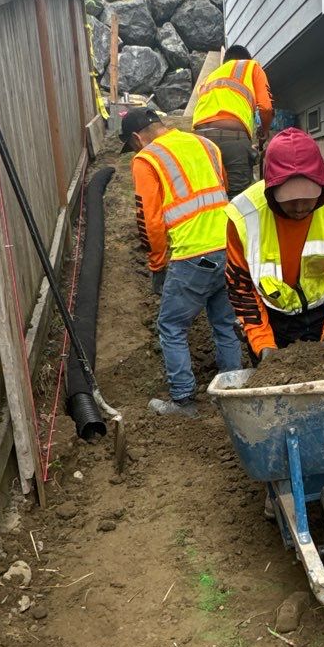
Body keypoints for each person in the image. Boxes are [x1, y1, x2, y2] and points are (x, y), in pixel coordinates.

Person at [123, 106, 243, 416]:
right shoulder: (207, 144)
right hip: (229, 247)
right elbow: (223, 190)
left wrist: (157, 265)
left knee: (171, 325)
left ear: (136, 138)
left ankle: (184, 400)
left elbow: (149, 221)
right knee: (225, 323)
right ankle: (232, 393)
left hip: (192, 254)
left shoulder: (146, 159)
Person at [225, 127, 324, 359]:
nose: (299, 207)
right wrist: (263, 346)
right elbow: (242, 289)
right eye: (289, 200)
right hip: (270, 317)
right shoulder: (244, 217)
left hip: (321, 314)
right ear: (271, 189)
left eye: (307, 198)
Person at [190, 42, 274, 195]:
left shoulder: (207, 79)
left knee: (207, 196)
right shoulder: (251, 66)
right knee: (236, 199)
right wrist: (265, 130)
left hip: (199, 142)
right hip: (233, 140)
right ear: (246, 59)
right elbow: (266, 108)